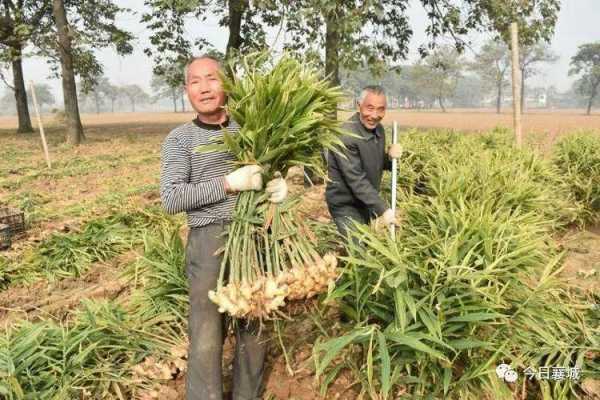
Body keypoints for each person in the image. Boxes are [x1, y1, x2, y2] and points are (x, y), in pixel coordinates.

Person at [159, 55, 288, 400]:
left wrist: (278, 186)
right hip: (208, 243)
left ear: (227, 84)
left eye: (212, 79)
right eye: (195, 81)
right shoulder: (180, 139)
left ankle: (248, 395)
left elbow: (271, 170)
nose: (204, 88)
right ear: (186, 90)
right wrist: (228, 183)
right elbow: (171, 198)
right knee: (206, 334)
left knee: (254, 327)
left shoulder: (252, 127)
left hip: (255, 236)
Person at [325, 85, 402, 239]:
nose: (374, 115)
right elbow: (356, 180)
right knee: (358, 249)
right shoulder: (346, 136)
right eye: (370, 108)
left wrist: (390, 157)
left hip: (365, 201)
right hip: (345, 204)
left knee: (368, 242)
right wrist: (384, 210)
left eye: (381, 109)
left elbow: (376, 162)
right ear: (358, 106)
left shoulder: (378, 130)